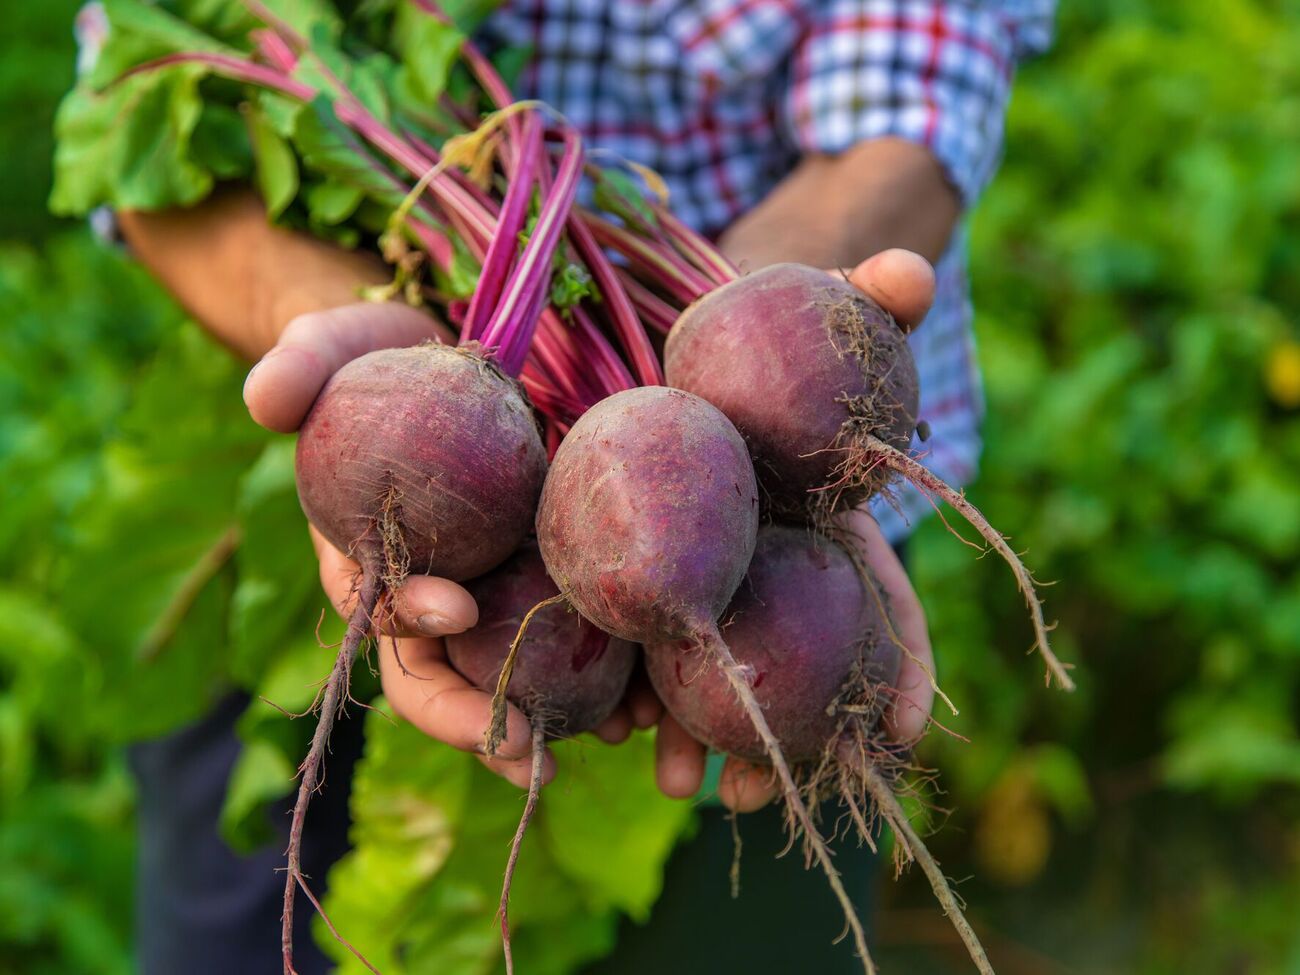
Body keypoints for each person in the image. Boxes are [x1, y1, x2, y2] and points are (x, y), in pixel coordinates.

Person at [100, 1, 1054, 971]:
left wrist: (737, 347)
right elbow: (133, 120)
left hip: (790, 495)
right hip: (334, 439)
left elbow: (907, 120)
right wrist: (312, 306)